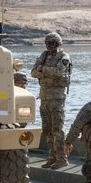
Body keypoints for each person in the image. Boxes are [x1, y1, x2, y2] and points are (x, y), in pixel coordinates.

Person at [31, 32, 72, 168]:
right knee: (47, 130)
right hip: (44, 98)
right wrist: (44, 70)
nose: (49, 46)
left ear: (58, 44)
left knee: (57, 129)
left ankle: (61, 158)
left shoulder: (64, 57)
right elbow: (33, 73)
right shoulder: (43, 56)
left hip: (56, 98)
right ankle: (52, 157)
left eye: (52, 43)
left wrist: (43, 70)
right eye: (47, 43)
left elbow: (60, 71)